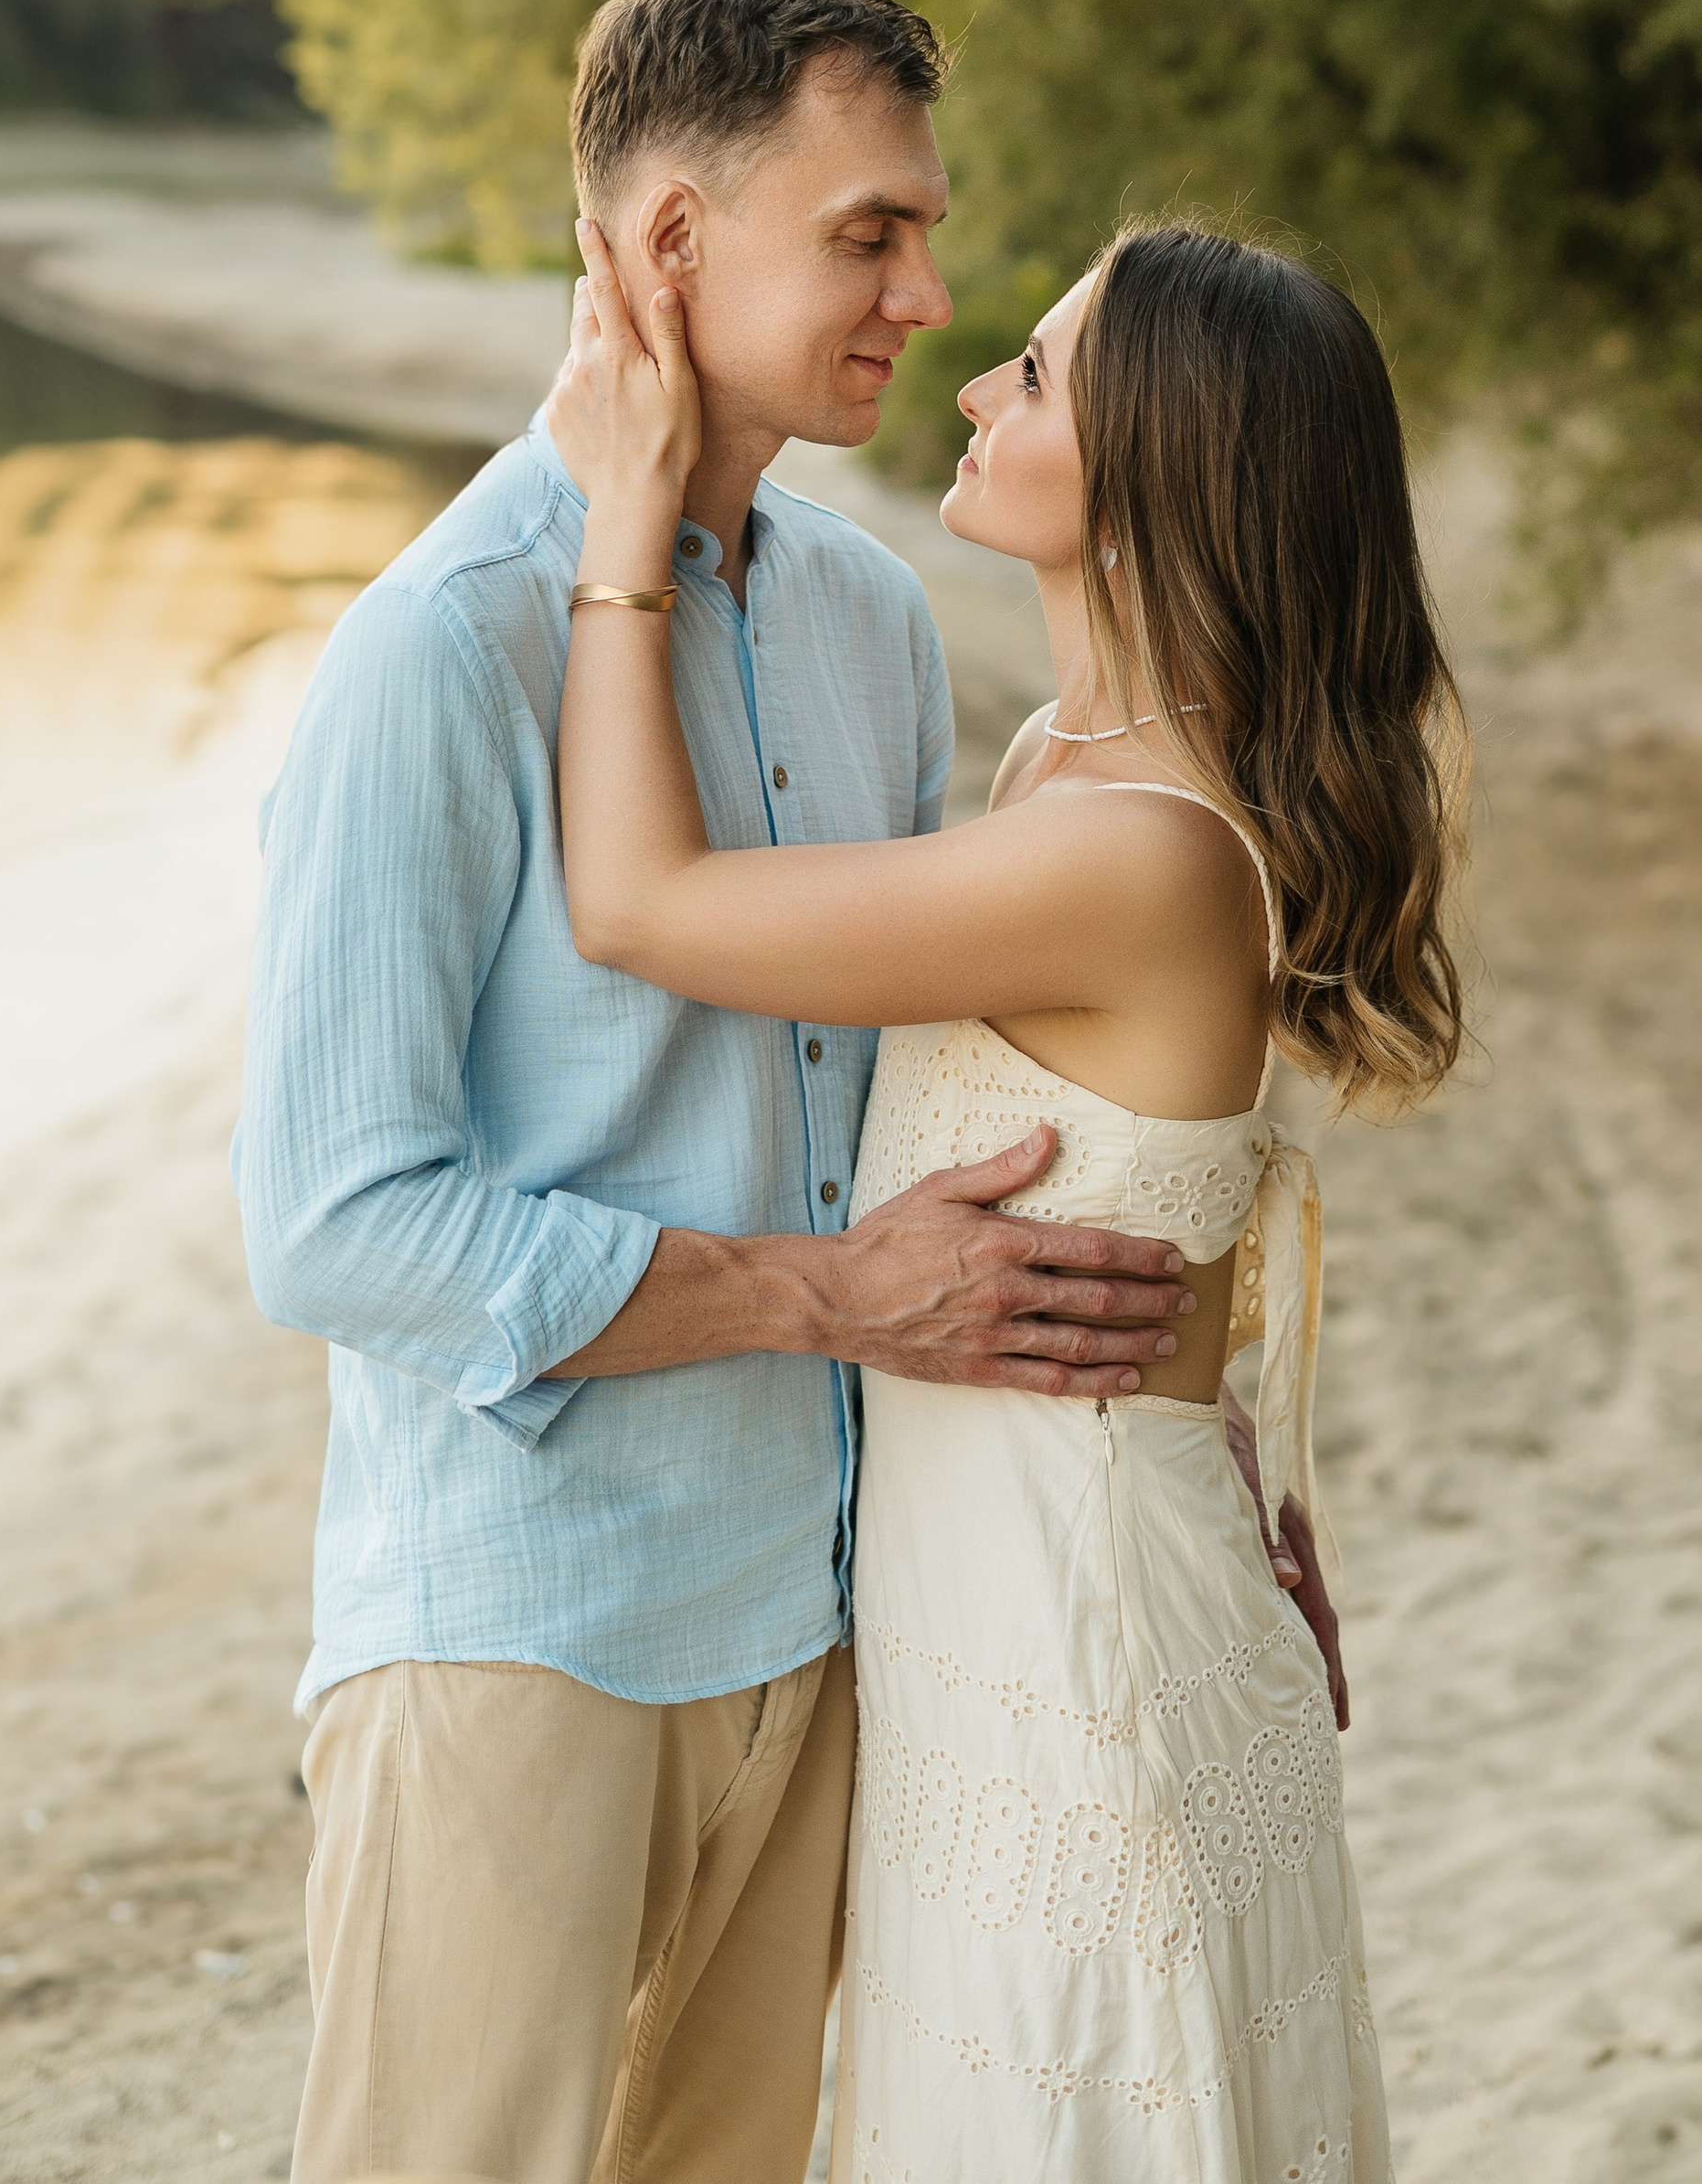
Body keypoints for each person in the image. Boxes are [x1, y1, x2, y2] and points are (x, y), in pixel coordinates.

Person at [236, 0, 1220, 2184]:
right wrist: (815, 1295)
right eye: (866, 231)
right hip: (523, 1635)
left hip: (820, 1615)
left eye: (924, 229)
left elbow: (942, 1105)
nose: (922, 286)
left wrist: (1224, 1432)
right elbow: (331, 1220)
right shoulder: (440, 646)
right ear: (671, 243)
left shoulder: (871, 622)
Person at [549, 207, 1469, 2181]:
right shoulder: (1071, 760)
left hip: (1079, 1652)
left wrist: (620, 538)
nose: (969, 382)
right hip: (1025, 1604)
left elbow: (638, 904)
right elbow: (1160, 1198)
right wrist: (1236, 1434)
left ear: (1153, 479)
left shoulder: (1135, 847)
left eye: (1033, 373)